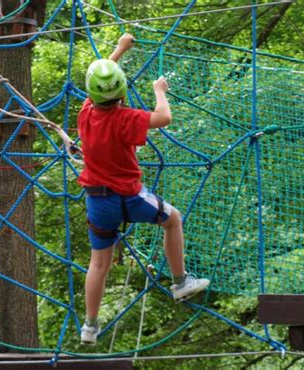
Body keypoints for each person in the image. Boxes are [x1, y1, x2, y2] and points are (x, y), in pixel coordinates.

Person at [77, 33, 210, 346]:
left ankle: (90, 326)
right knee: (173, 219)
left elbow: (102, 76)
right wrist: (159, 91)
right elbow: (164, 117)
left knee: (99, 264)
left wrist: (120, 49)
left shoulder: (86, 114)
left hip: (98, 202)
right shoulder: (126, 117)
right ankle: (179, 282)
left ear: (91, 93)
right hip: (131, 197)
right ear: (122, 90)